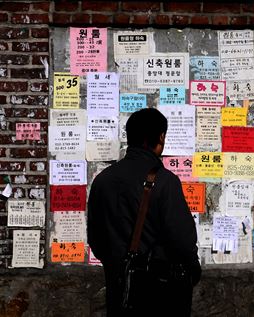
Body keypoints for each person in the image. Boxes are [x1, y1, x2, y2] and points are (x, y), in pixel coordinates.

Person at [88, 108, 201, 316]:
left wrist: (117, 266)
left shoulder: (102, 180)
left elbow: (95, 239)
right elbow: (182, 240)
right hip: (159, 293)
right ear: (161, 137)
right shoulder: (165, 181)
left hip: (120, 291)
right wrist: (193, 269)